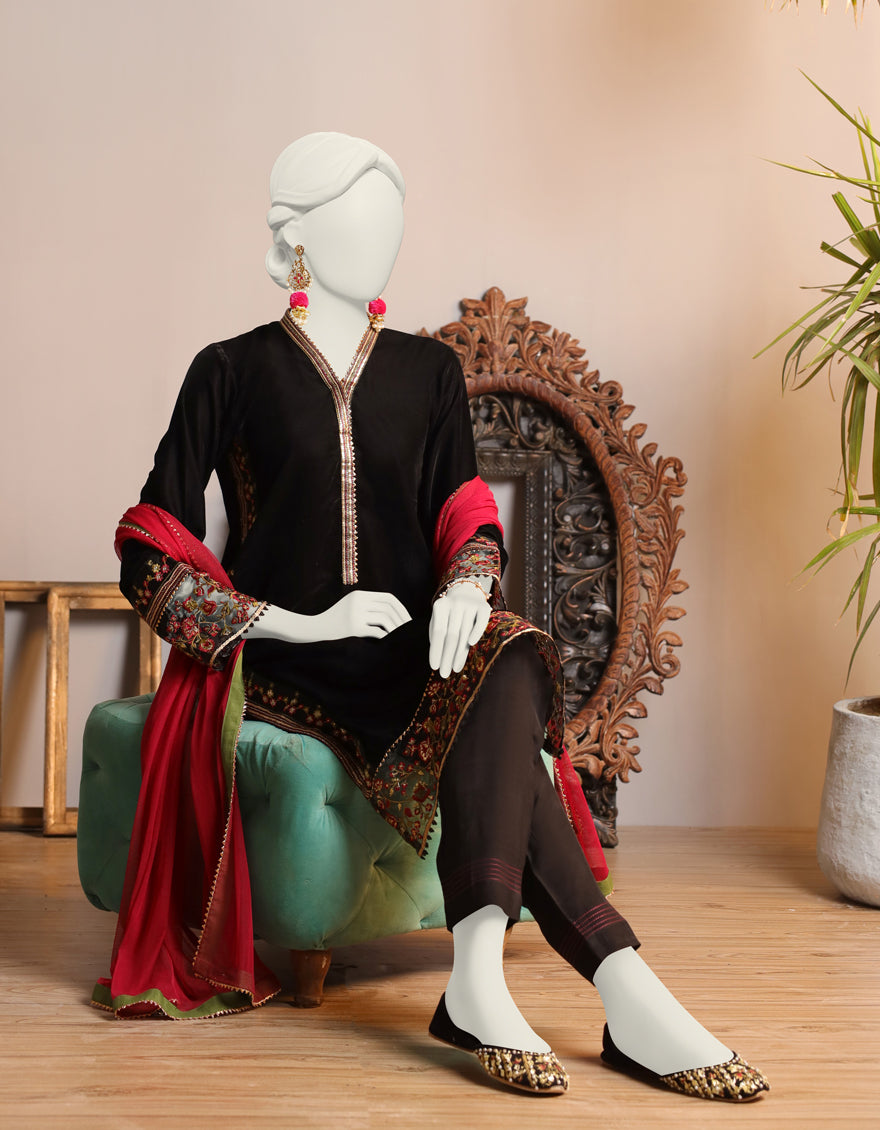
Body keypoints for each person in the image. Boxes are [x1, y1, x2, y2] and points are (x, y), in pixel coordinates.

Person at [100, 132, 769, 1102]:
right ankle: (620, 990)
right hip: (293, 663)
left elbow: (464, 508)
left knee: (507, 646)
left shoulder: (428, 372)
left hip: (416, 650)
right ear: (296, 234)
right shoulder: (230, 370)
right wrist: (296, 623)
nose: (381, 239)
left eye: (392, 221)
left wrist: (464, 586)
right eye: (356, 218)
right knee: (503, 700)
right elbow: (150, 544)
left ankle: (488, 974)